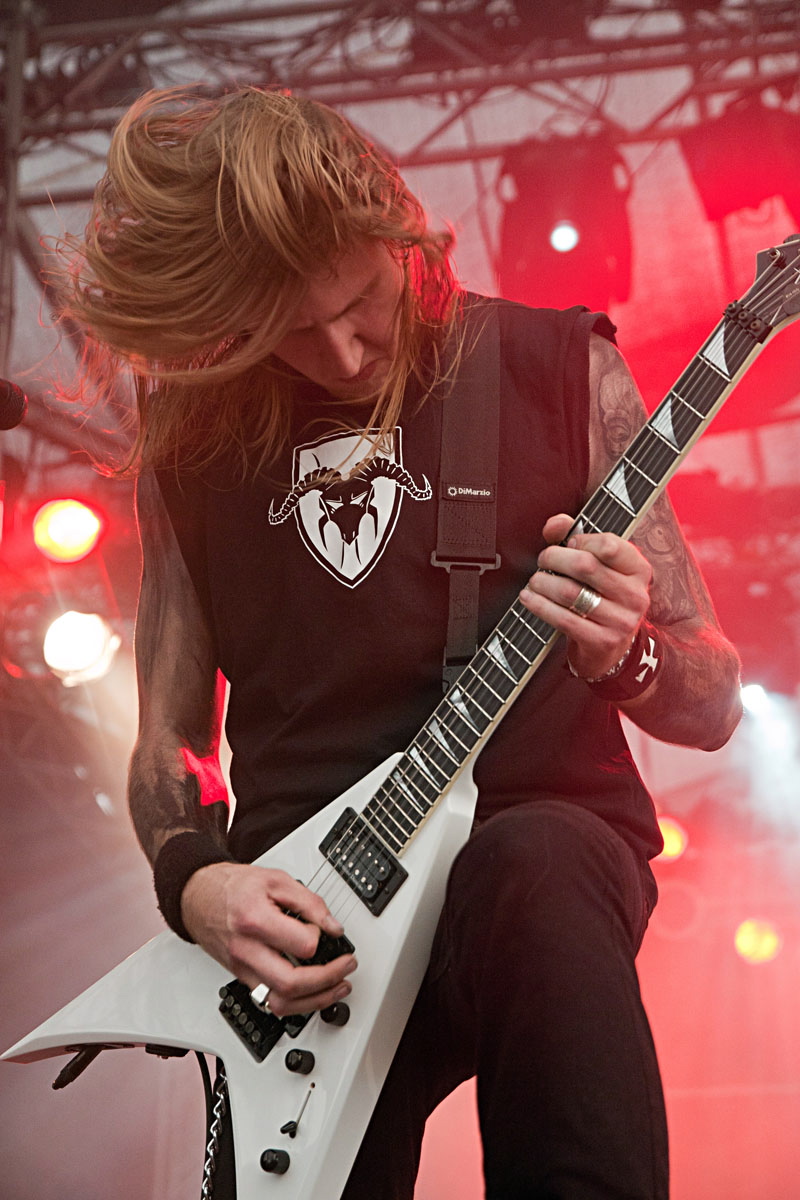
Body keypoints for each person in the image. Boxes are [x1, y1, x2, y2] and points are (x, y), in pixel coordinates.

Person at [57, 84, 742, 1199]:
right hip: (303, 922)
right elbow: (168, 743)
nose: (338, 351)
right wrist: (197, 885)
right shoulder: (194, 434)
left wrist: (624, 653)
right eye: (290, 330)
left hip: (530, 848)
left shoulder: (551, 365)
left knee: (539, 864)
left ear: (398, 228)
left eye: (361, 301)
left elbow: (710, 700)